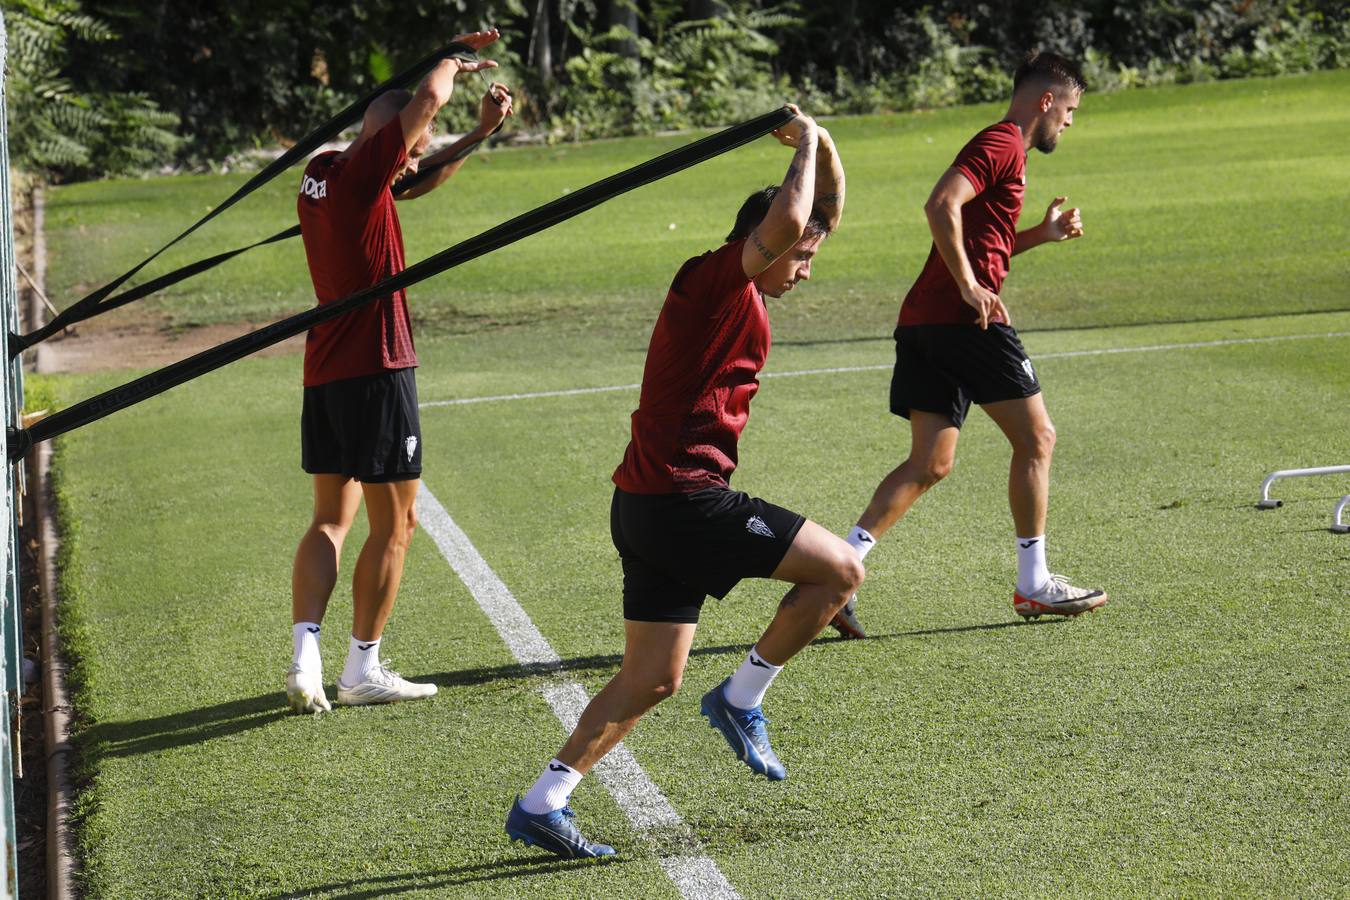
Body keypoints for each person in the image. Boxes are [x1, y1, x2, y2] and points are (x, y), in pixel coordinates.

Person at [504, 105, 858, 859]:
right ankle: (741, 698)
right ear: (762, 240)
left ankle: (544, 802)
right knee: (840, 572)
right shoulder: (714, 280)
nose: (806, 266)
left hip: (645, 505)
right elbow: (792, 221)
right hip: (682, 497)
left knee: (652, 677)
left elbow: (818, 212)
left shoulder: (747, 286)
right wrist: (807, 152)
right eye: (800, 256)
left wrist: (818, 139)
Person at [830, 50, 1104, 641]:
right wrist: (968, 284)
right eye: (1070, 110)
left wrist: (1041, 234)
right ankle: (1034, 583)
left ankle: (834, 574)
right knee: (1038, 437)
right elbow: (940, 204)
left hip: (925, 321)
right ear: (1046, 101)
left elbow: (986, 242)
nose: (1070, 124)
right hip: (962, 320)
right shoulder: (1003, 142)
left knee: (930, 463)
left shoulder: (1009, 151)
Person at [285, 30, 515, 713]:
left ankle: (304, 661)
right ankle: (361, 669)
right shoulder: (364, 175)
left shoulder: (327, 171)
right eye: (416, 138)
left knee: (331, 520)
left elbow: (415, 175)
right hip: (378, 366)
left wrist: (474, 137)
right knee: (397, 525)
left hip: (325, 367)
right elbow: (426, 98)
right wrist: (452, 57)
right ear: (391, 137)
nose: (420, 145)